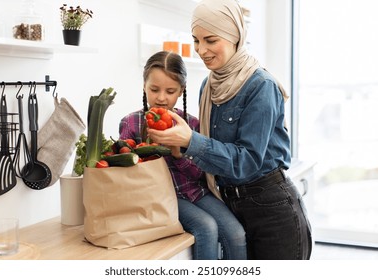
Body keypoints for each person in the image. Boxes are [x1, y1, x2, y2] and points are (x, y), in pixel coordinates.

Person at [147, 0, 312, 260]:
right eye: (196, 40)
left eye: (210, 40)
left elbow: (247, 160)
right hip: (231, 205)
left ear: (234, 36)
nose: (201, 50)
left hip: (272, 212)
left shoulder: (261, 86)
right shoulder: (208, 86)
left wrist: (190, 141)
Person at [119, 50, 246, 260]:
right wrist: (147, 150)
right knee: (207, 228)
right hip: (160, 198)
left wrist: (178, 154)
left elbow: (199, 174)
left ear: (181, 91)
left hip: (195, 192)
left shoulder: (191, 124)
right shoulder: (131, 123)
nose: (161, 98)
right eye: (154, 89)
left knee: (236, 234)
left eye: (170, 91)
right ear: (144, 86)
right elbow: (128, 175)